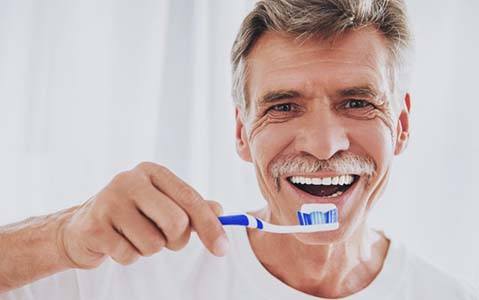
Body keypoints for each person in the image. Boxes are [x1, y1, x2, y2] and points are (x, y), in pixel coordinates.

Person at [1, 0, 477, 299]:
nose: (325, 145)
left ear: (403, 124)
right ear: (241, 131)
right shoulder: (129, 273)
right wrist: (61, 238)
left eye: (356, 102)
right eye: (284, 106)